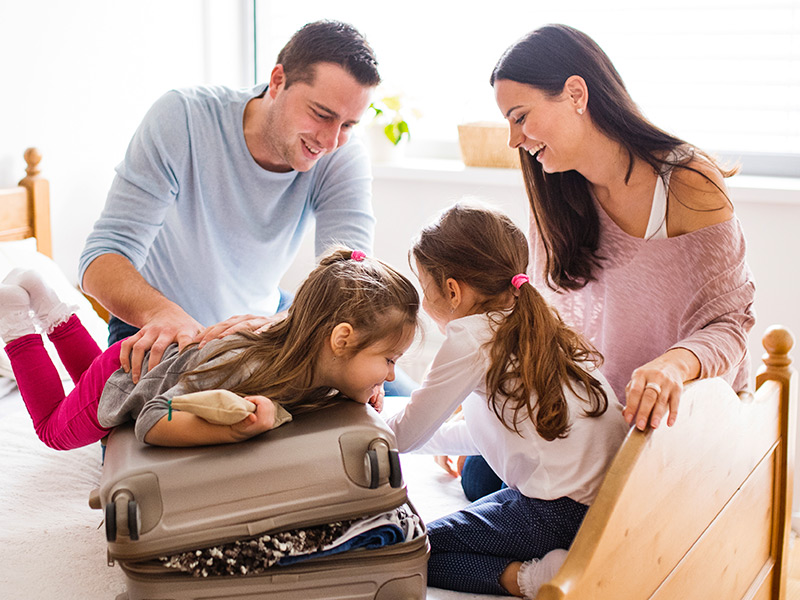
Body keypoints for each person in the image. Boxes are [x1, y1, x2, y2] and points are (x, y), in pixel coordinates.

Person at [78, 20, 385, 387]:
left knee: (393, 403)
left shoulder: (342, 155)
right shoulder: (183, 118)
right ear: (277, 80)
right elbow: (100, 259)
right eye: (321, 114)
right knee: (159, 432)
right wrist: (164, 314)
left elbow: (349, 279)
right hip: (156, 323)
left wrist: (285, 324)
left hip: (265, 324)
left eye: (348, 124)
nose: (331, 141)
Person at [491, 23, 755, 431]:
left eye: (520, 117)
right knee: (476, 469)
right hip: (598, 415)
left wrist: (673, 365)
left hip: (679, 414)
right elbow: (544, 314)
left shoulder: (686, 182)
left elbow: (730, 324)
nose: (513, 140)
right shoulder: (553, 193)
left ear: (576, 94)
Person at [384, 203, 628, 598]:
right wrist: (428, 439)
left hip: (560, 512)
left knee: (414, 551)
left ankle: (540, 577)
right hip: (607, 502)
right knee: (477, 477)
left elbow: (404, 435)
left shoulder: (471, 337)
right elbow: (488, 434)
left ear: (452, 290)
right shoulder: (539, 321)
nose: (423, 303)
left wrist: (355, 427)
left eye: (423, 287)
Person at [0, 249, 419, 449]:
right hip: (132, 374)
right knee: (56, 430)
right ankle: (16, 321)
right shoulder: (247, 368)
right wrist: (233, 428)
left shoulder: (317, 366)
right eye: (388, 361)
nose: (390, 376)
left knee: (91, 380)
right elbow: (151, 419)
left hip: (130, 367)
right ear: (341, 340)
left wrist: (365, 383)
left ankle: (47, 300)